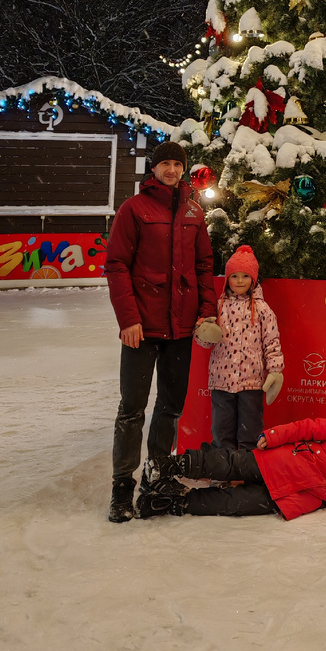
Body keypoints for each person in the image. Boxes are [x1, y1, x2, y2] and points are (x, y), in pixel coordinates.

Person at [104, 140, 217, 523]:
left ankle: (157, 475)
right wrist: (128, 320)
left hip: (181, 329)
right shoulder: (133, 209)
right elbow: (117, 266)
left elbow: (204, 266)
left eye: (177, 164)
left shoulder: (193, 211)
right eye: (164, 163)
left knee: (170, 407)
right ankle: (123, 486)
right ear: (153, 168)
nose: (171, 170)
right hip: (142, 328)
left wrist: (207, 311)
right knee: (132, 409)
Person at [139, 405, 326, 520]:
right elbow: (310, 427)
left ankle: (174, 504)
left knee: (233, 503)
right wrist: (275, 435)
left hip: (298, 496)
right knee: (229, 462)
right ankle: (170, 466)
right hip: (284, 463)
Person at [194, 244, 284, 450]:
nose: (240, 281)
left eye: (245, 276)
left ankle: (247, 470)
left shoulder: (262, 309)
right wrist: (203, 332)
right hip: (221, 381)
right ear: (227, 279)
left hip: (252, 383)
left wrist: (275, 370)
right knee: (221, 429)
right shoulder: (218, 307)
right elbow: (206, 341)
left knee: (250, 429)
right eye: (235, 276)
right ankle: (223, 469)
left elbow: (272, 342)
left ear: (253, 279)